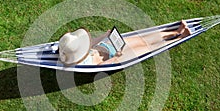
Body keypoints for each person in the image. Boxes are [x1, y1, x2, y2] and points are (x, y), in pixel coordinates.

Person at [58, 21, 191, 65]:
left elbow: (92, 43)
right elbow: (101, 65)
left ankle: (174, 31)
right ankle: (179, 37)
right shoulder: (80, 65)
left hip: (108, 45)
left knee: (141, 39)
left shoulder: (68, 49)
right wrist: (116, 56)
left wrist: (105, 36)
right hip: (114, 56)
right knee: (146, 48)